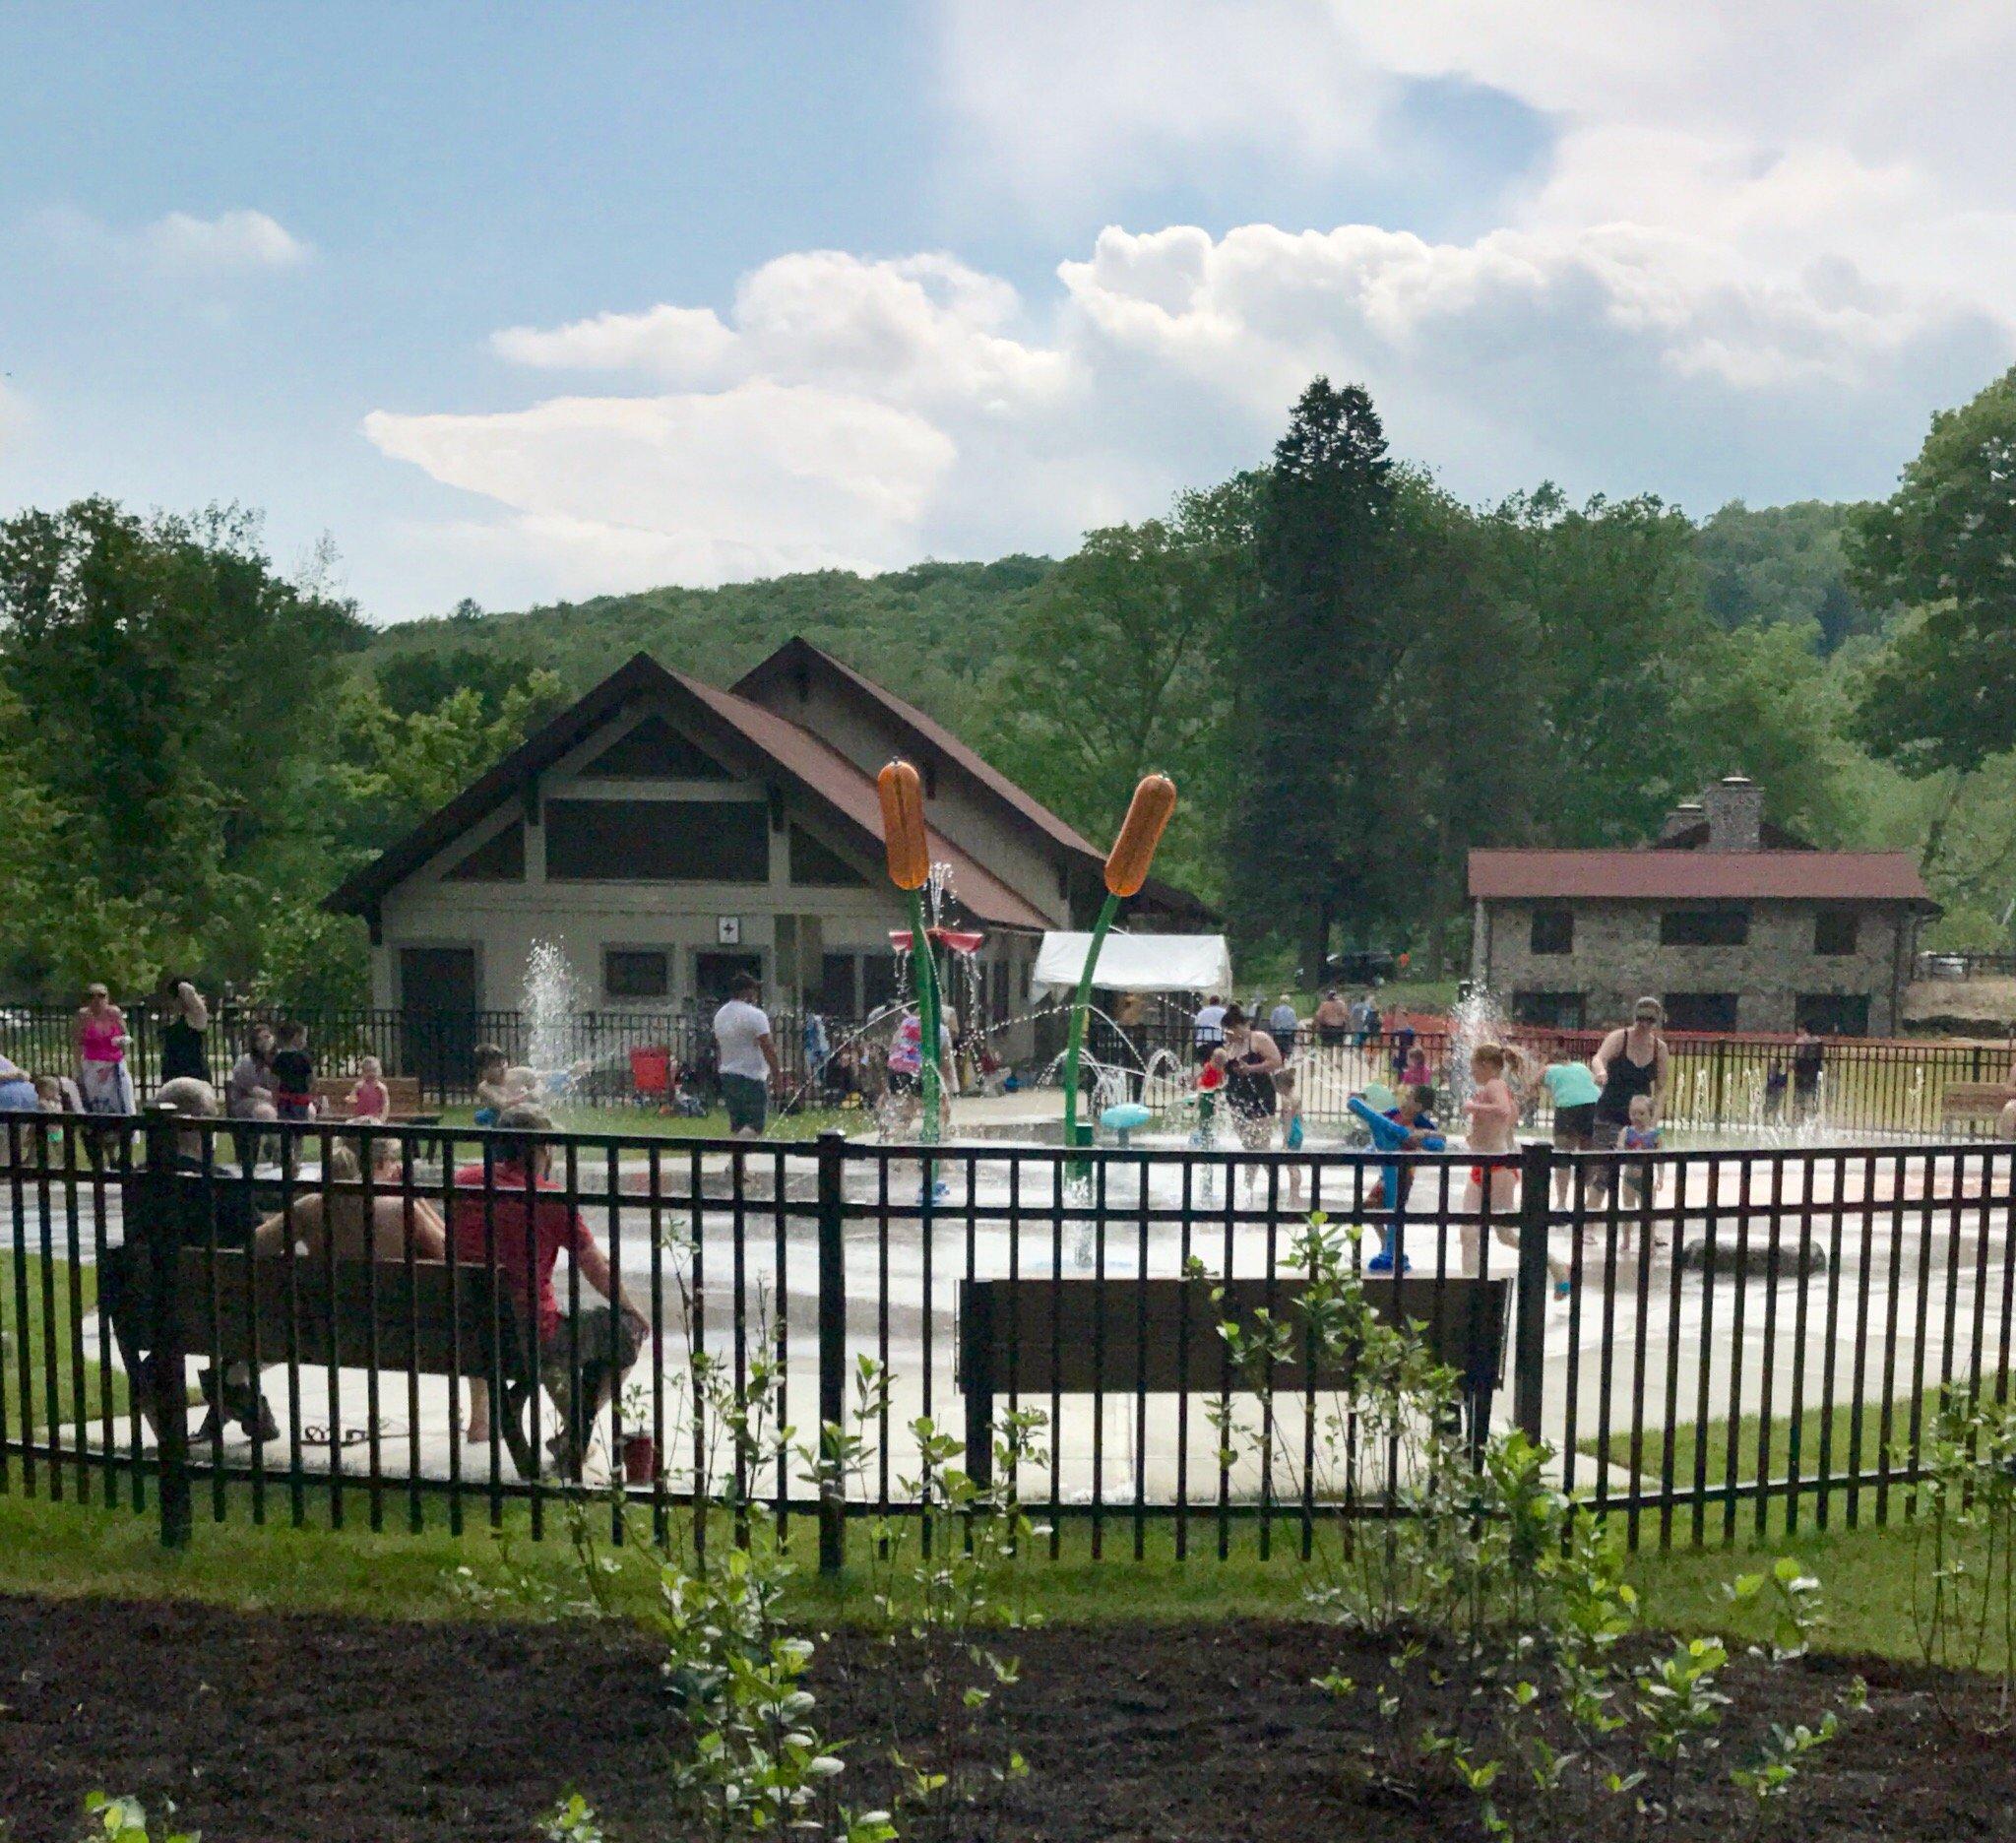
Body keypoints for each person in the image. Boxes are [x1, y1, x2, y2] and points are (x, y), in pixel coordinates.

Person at [451, 1103, 651, 1473]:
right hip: (532, 1335)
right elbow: (597, 1268)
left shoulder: (464, 1182)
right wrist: (634, 1310)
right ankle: (576, 1431)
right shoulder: (548, 1198)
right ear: (542, 1149)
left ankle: (565, 1430)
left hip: (467, 1333)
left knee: (536, 1335)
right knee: (628, 1331)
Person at [99, 1076, 277, 1443]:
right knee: (278, 1301)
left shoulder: (137, 1182)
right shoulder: (220, 1183)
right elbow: (261, 1240)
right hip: (225, 1311)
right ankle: (233, 1386)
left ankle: (227, 1399)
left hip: (152, 1312)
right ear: (197, 1124)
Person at [254, 1138, 446, 1263]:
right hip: (392, 1306)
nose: (396, 1165)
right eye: (392, 1159)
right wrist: (414, 1195)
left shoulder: (309, 1207)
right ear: (378, 1163)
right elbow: (449, 1251)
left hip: (327, 1305)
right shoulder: (401, 1209)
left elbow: (257, 1245)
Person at [712, 973, 781, 1138]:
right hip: (751, 1076)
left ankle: (738, 1155)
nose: (756, 995)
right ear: (748, 992)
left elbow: (720, 1045)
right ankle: (732, 1153)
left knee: (738, 1125)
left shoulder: (720, 1014)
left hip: (728, 1074)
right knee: (756, 1126)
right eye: (755, 990)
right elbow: (768, 1047)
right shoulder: (756, 1015)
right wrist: (776, 1074)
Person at [1592, 997, 1670, 1140]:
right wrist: (1601, 1071)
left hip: (1639, 1121)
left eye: (1650, 1020)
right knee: (1605, 1152)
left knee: (1636, 1154)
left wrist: (1652, 1124)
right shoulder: (1619, 1038)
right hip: (1609, 1116)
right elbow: (1599, 1058)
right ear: (1635, 1017)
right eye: (1641, 1019)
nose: (1644, 1024)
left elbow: (1661, 1089)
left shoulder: (1659, 1049)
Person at [1217, 1006, 1283, 1152]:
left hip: (1261, 1096)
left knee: (1261, 1144)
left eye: (1229, 1032)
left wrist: (1251, 1068)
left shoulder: (1258, 1038)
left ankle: (1268, 1167)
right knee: (1248, 1145)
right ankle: (1248, 1168)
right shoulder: (1231, 1045)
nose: (1226, 1037)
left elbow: (1276, 1061)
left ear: (1237, 1027)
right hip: (1238, 1100)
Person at [1541, 1054, 1603, 1206]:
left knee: (1562, 1155)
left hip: (1567, 1108)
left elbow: (1532, 1083)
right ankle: (1590, 1201)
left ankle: (1561, 1202)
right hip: (1593, 1105)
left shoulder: (1550, 1068)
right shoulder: (1581, 1066)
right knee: (1588, 1155)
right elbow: (1594, 1082)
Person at [75, 984, 135, 1118]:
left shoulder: (114, 1013)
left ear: (107, 998)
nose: (97, 1000)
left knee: (124, 1101)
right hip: (93, 1065)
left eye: (101, 996)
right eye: (92, 996)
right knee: (97, 1105)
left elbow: (127, 1036)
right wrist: (79, 1071)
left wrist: (121, 1040)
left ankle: (127, 1129)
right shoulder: (83, 1016)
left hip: (115, 1065)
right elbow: (77, 1044)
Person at [1615, 1095, 1666, 1252]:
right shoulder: (1626, 1131)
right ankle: (1626, 1240)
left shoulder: (1655, 1135)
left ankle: (1649, 1242)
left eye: (1641, 1113)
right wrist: (1620, 1148)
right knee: (1628, 1210)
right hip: (1629, 1178)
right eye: (1633, 1113)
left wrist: (1661, 1177)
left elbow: (1661, 1159)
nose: (1636, 1117)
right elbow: (1619, 1148)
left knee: (1648, 1212)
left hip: (1647, 1179)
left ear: (1651, 1115)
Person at [158, 976, 210, 1084]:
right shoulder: (175, 1018)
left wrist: (179, 985)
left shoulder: (196, 1017)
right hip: (174, 1073)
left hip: (193, 1072)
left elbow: (187, 990)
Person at [270, 1020, 316, 1121]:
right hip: (301, 1099)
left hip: (284, 1099)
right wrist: (309, 1092)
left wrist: (275, 1098)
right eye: (304, 1038)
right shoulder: (304, 1058)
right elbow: (311, 1079)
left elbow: (274, 1081)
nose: (305, 1041)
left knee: (285, 1125)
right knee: (300, 1125)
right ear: (296, 1037)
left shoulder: (279, 1058)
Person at [472, 1044, 513, 1126]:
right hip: (498, 1118)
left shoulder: (518, 1073)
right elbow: (502, 1104)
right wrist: (525, 1097)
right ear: (484, 1071)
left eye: (503, 1063)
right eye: (496, 1066)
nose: (502, 1069)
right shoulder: (484, 1087)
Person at [1792, 1024, 1825, 1118]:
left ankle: (1800, 1117)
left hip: (1801, 1070)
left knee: (1800, 1094)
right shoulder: (1818, 1041)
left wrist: (1792, 1065)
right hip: (1814, 1070)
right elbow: (1822, 1055)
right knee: (1813, 1094)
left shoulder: (1800, 1041)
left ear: (1803, 1029)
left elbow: (1796, 1055)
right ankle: (1813, 1116)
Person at [348, 1055, 391, 1123]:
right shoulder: (358, 1086)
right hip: (360, 1118)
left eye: (373, 1071)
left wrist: (381, 1120)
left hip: (375, 1119)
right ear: (362, 1072)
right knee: (348, 1123)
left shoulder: (381, 1088)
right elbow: (352, 1103)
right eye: (367, 1071)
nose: (371, 1074)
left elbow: (386, 1105)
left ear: (379, 1071)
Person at [1192, 993, 1228, 1062]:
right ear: (1219, 1002)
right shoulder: (1224, 1012)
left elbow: (1196, 1026)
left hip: (1203, 1041)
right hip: (1220, 1041)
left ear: (1209, 1002)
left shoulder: (1202, 1013)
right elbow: (1228, 1026)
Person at [1268, 992, 1301, 1057]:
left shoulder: (1276, 1010)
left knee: (1278, 1050)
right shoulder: (1291, 1011)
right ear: (1288, 1001)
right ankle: (1286, 1059)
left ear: (1280, 1001)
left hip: (1278, 1033)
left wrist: (1274, 1029)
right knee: (1287, 1050)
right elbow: (1294, 1024)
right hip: (1288, 1034)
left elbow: (1272, 1022)